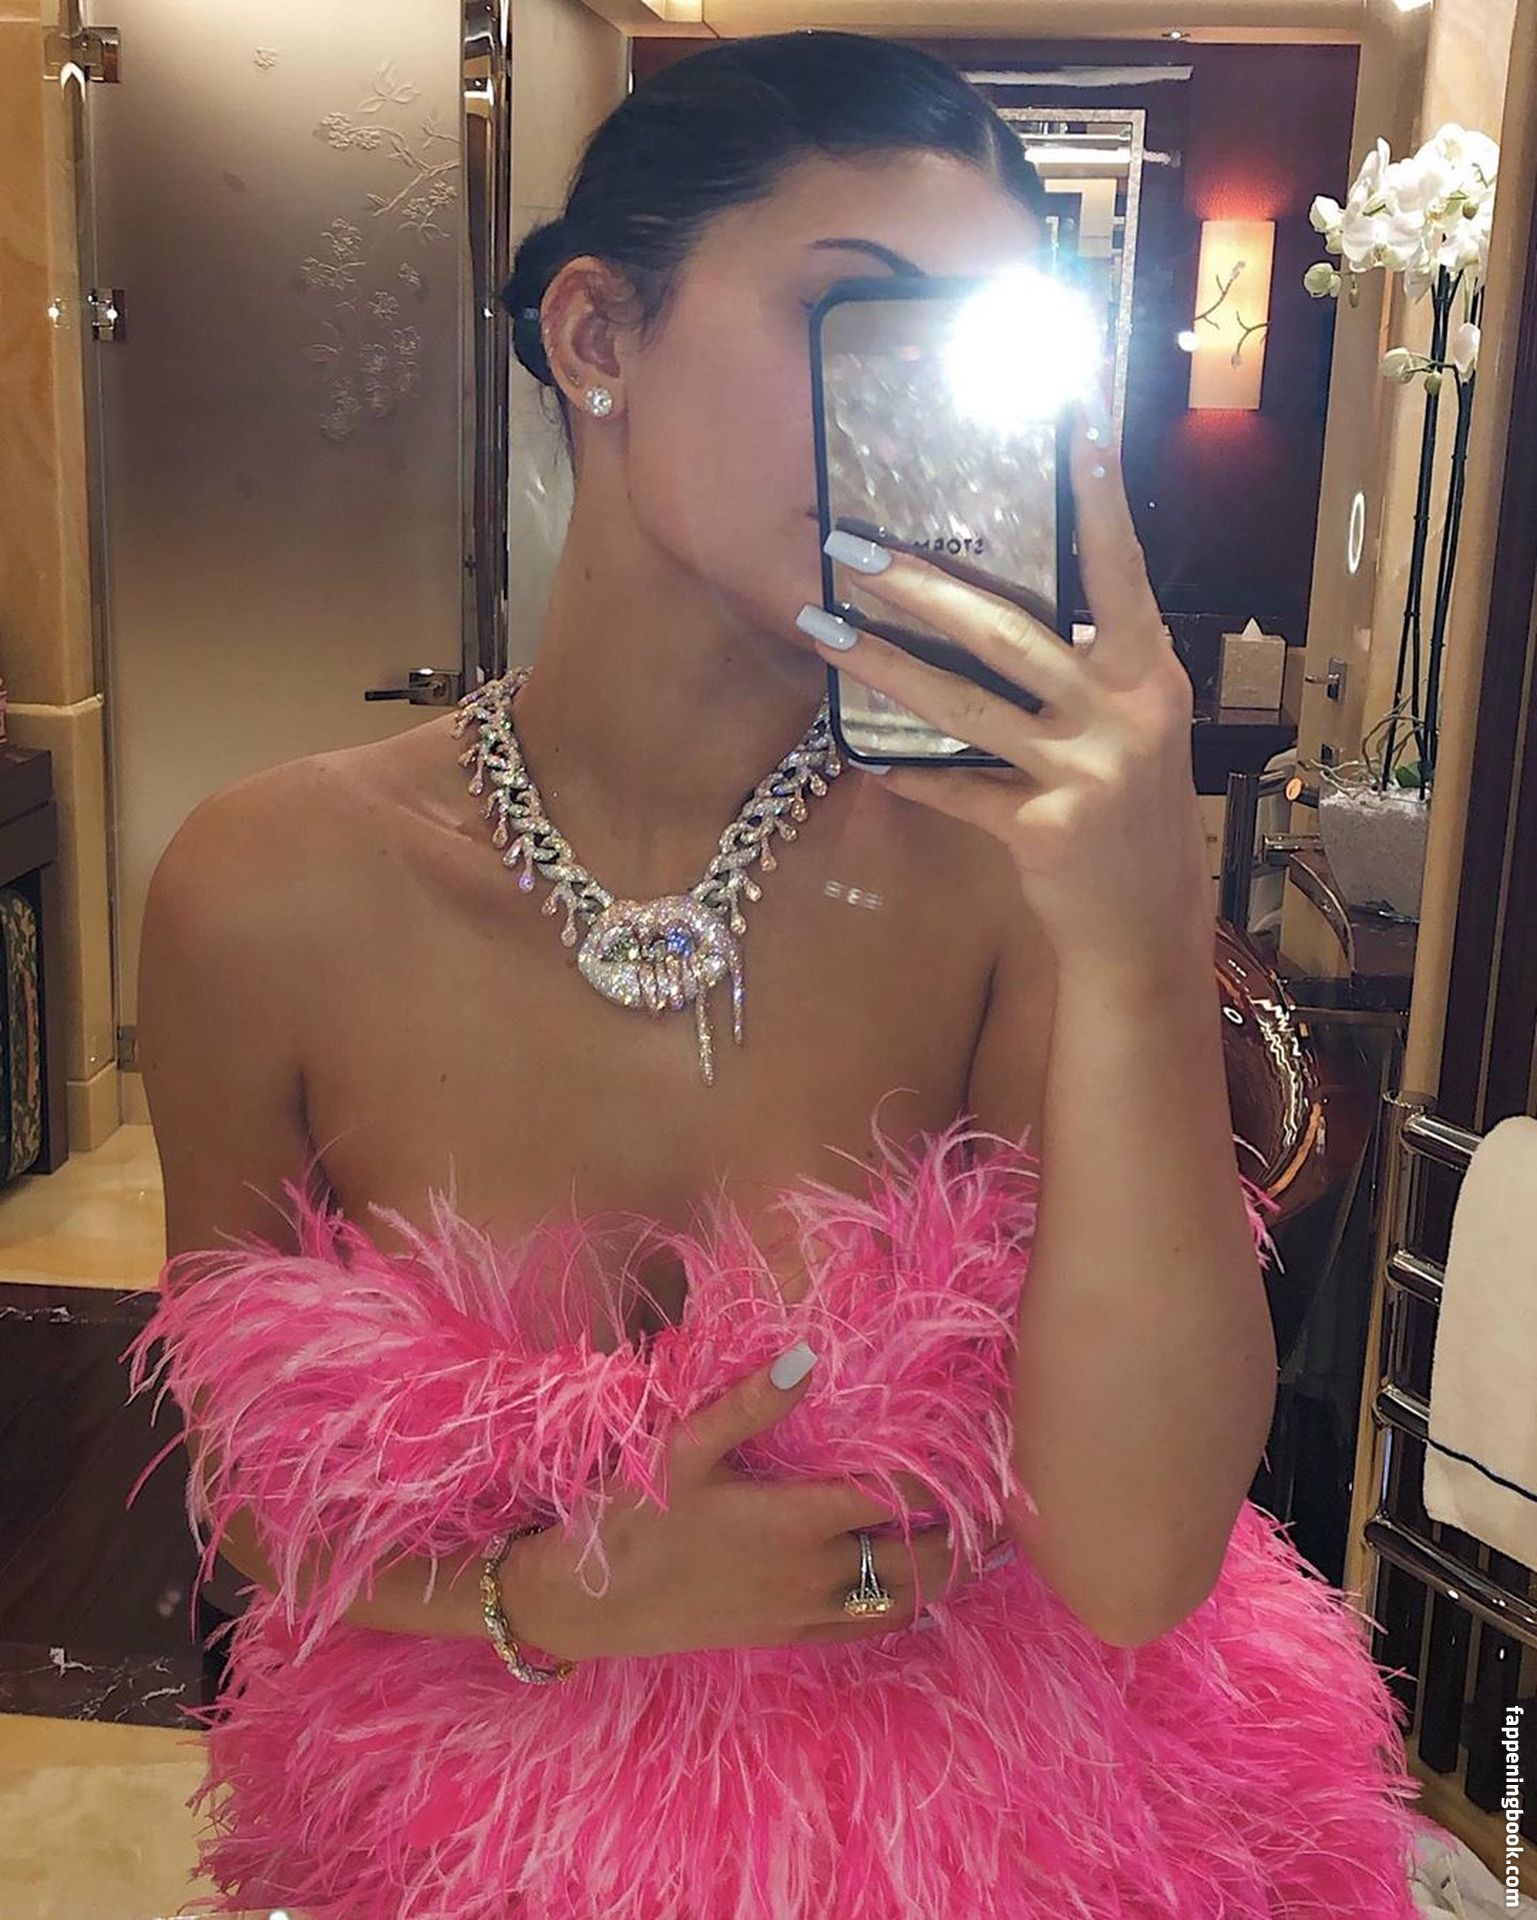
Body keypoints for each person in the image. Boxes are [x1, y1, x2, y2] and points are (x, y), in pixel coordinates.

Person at [126, 30, 1433, 1919]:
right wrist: (538, 1596)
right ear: (597, 336)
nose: (903, 422)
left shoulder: (1003, 880)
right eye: (851, 319)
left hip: (1014, 1837)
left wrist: (1142, 935)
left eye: (958, 355)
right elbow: (250, 1489)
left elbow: (1143, 1563)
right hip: (460, 1845)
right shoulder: (269, 892)